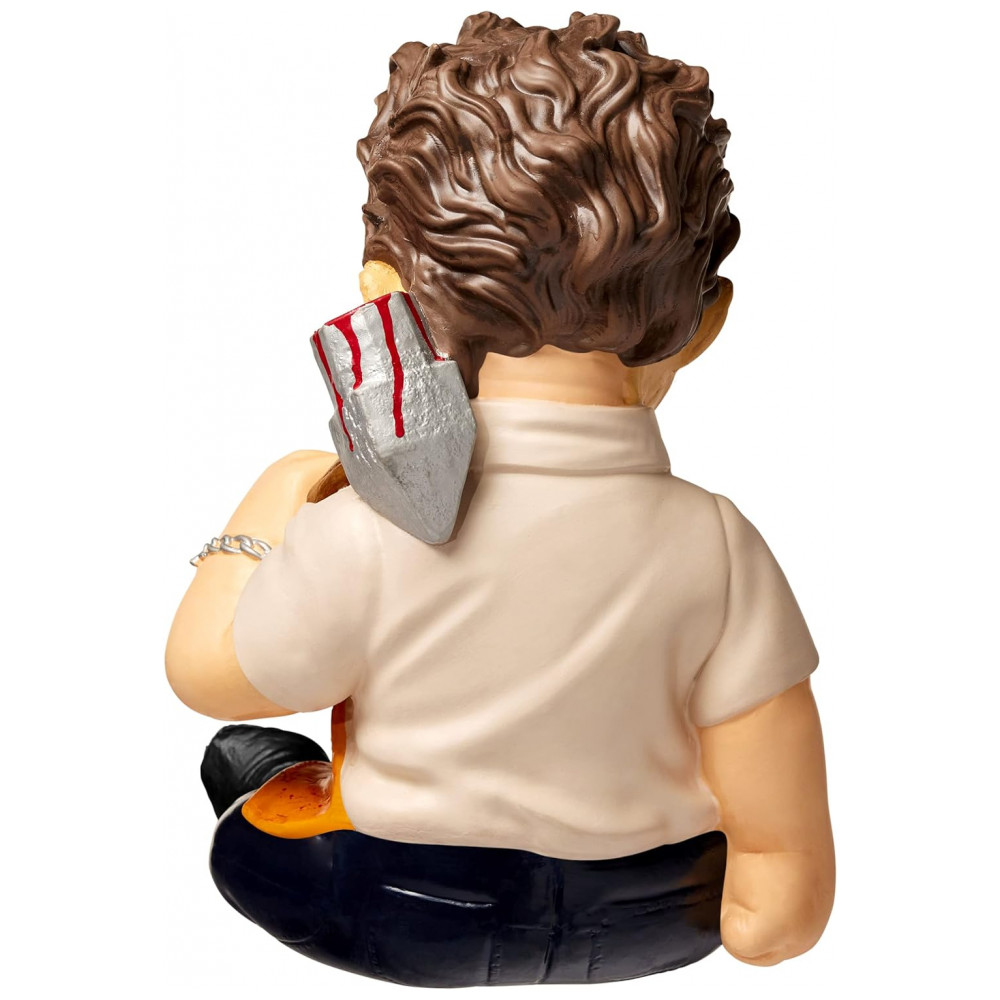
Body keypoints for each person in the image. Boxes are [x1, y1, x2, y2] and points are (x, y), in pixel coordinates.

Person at [166, 11, 834, 986]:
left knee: (245, 781)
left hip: (398, 905)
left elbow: (215, 678)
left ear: (384, 299)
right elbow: (764, 739)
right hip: (655, 909)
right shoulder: (717, 541)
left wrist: (268, 510)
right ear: (704, 323)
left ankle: (277, 782)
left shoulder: (364, 524)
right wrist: (775, 882)